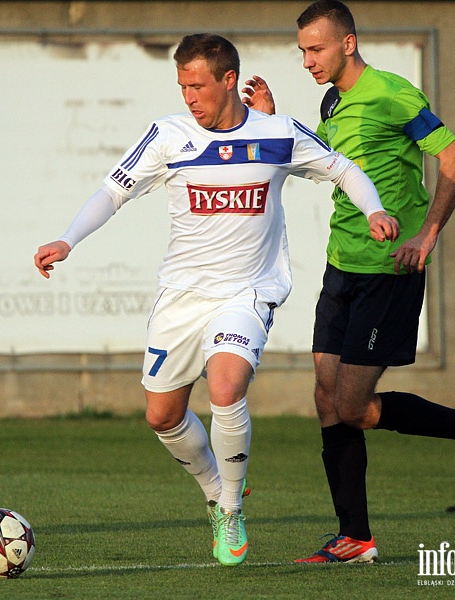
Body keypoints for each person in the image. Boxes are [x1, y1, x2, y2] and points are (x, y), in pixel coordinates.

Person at [34, 33, 398, 566]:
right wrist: (67, 239)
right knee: (161, 417)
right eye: (182, 87)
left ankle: (230, 508)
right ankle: (213, 487)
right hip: (181, 295)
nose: (189, 98)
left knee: (226, 388)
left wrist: (374, 209)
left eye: (198, 85)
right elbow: (114, 191)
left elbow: (343, 168)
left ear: (229, 79)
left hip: (247, 293)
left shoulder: (276, 133)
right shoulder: (168, 135)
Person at [243, 0, 455, 563]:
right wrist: (270, 116)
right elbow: (318, 162)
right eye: (302, 51)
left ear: (347, 42)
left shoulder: (392, 94)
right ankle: (354, 537)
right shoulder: (332, 100)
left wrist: (427, 235)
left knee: (354, 405)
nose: (307, 60)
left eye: (315, 49)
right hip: (343, 264)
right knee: (325, 398)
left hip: (390, 269)